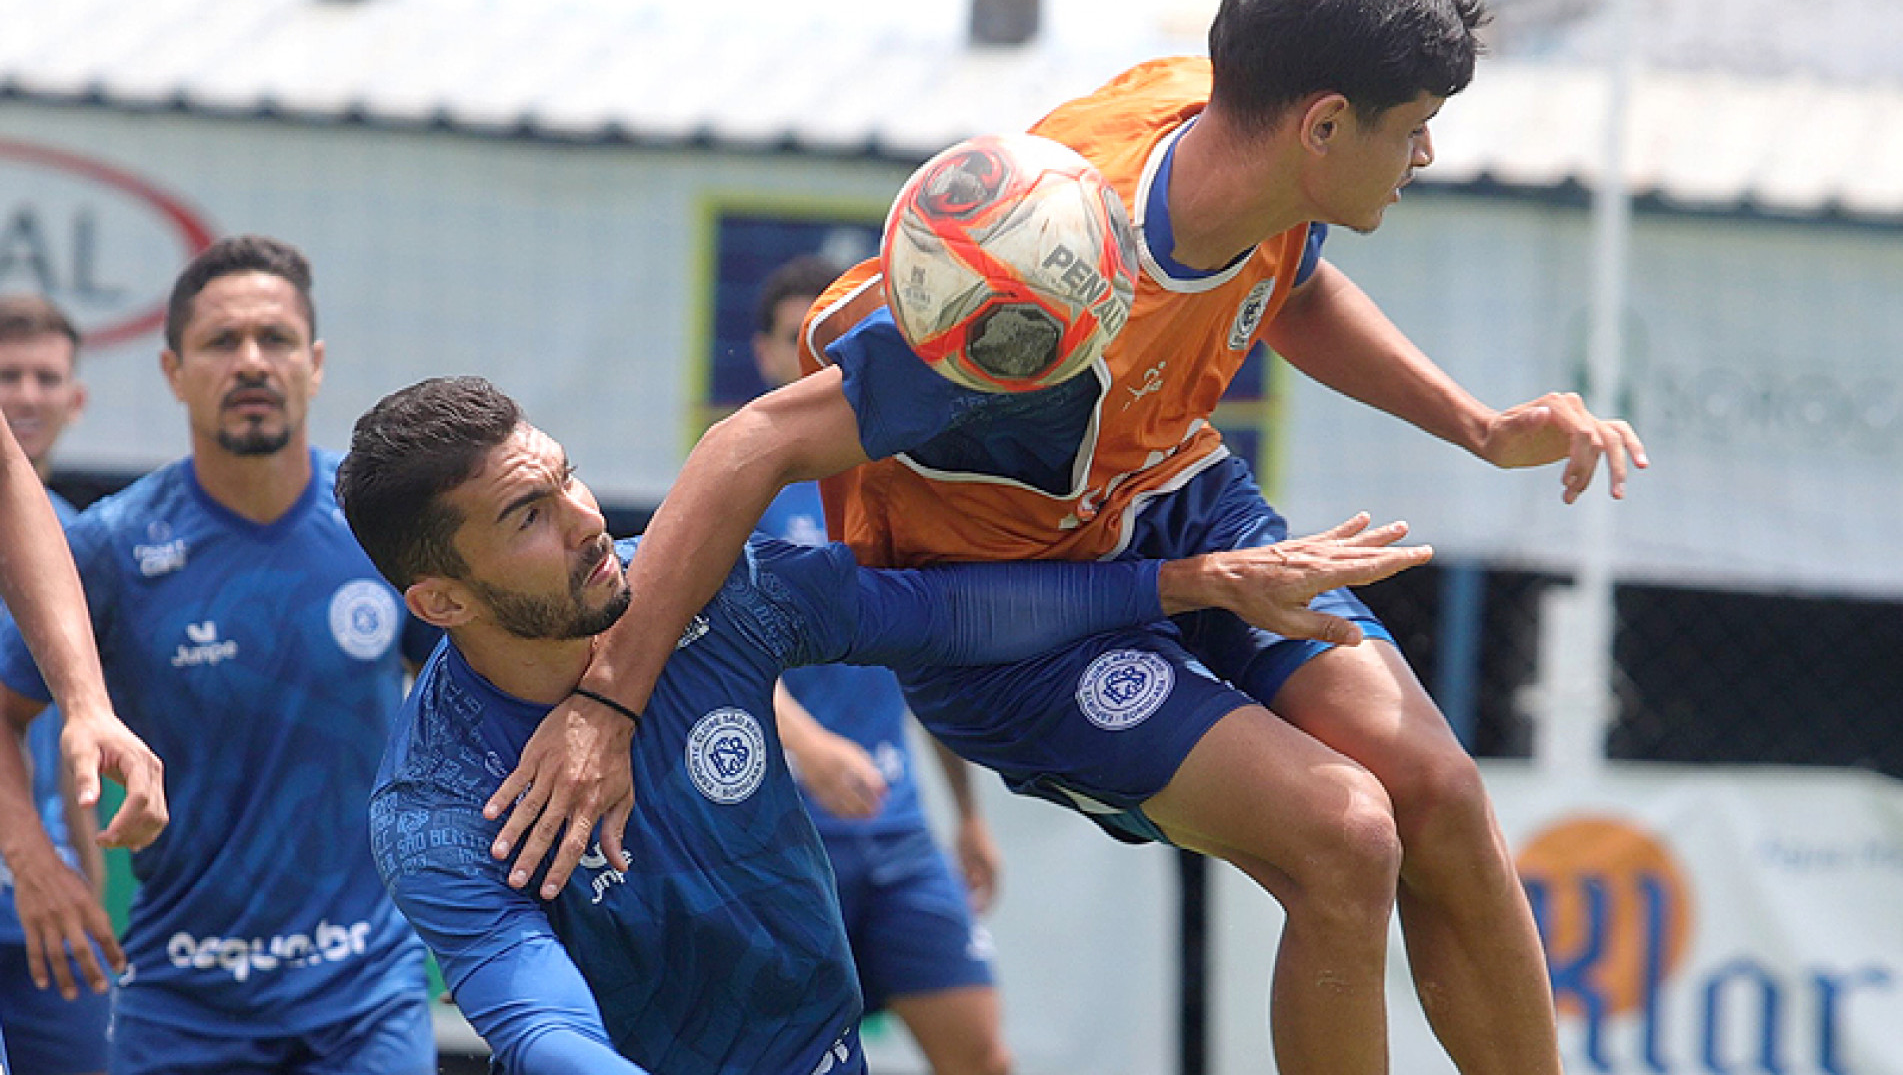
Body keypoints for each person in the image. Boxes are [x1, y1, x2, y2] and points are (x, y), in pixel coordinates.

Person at [491, 0, 1652, 1075]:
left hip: (1172, 499)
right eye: (1413, 128)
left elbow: (1290, 278)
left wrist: (1480, 424)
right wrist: (609, 704)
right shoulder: (1028, 289)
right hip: (1012, 616)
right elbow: (749, 443)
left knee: (1439, 793)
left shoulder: (1229, 112)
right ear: (1326, 125)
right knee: (1345, 833)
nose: (1428, 154)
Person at [334, 374, 1428, 1075]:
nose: (585, 520)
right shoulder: (436, 806)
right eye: (529, 515)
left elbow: (949, 609)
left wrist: (1203, 580)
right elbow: (543, 1027)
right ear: (440, 600)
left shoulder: (710, 591)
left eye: (566, 477)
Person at [0, 237, 432, 1075]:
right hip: (181, 997)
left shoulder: (383, 529)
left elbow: (486, 678)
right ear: (172, 371)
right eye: (220, 343)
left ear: (313, 364)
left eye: (274, 340)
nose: (250, 362)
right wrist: (35, 862)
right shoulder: (111, 547)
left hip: (365, 993)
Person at [754, 256, 1012, 1075]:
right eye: (801, 339)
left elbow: (931, 656)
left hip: (898, 836)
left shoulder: (906, 477)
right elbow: (697, 642)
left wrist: (966, 814)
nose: (824, 358)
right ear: (764, 354)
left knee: (983, 1058)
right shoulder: (745, 479)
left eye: (840, 339)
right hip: (778, 840)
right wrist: (809, 747)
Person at [0, 294, 111, 1075]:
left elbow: (81, 738)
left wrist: (85, 881)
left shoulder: (91, 544)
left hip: (50, 900)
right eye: (9, 376)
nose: (28, 396)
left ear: (76, 398)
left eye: (47, 377)